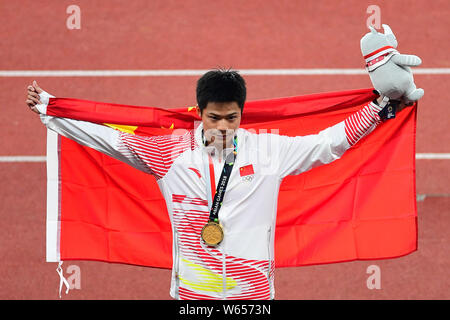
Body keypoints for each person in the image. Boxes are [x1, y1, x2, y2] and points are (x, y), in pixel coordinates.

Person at [26, 69, 410, 300]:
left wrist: (379, 109)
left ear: (242, 115)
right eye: (214, 118)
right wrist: (52, 112)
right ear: (199, 114)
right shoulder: (168, 153)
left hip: (254, 294)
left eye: (231, 118)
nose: (223, 127)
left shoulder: (267, 151)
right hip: (193, 294)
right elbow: (107, 138)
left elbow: (326, 144)